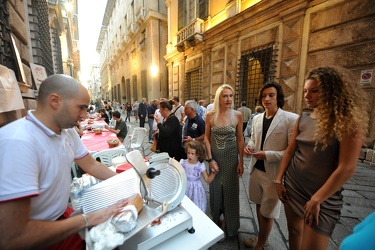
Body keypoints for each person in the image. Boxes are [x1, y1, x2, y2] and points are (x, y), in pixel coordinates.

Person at [0, 74, 127, 249]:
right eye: (81, 107)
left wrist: (126, 182)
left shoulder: (67, 131)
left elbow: (91, 164)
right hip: (40, 236)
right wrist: (87, 219)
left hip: (61, 216)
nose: (84, 115)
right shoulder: (18, 143)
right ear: (55, 101)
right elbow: (13, 236)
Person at [275, 67, 368, 250]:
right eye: (305, 91)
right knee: (293, 232)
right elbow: (290, 151)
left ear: (332, 91)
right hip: (293, 186)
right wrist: (278, 179)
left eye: (314, 90)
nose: (307, 95)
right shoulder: (303, 118)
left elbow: (347, 168)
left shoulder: (348, 122)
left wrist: (317, 199)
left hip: (323, 197)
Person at [243, 82, 298, 249]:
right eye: (264, 95)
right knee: (260, 206)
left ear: (278, 97)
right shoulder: (257, 118)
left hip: (274, 175)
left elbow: (291, 151)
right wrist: (250, 146)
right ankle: (262, 237)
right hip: (256, 170)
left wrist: (266, 154)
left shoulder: (290, 119)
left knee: (268, 213)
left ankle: (260, 244)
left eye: (271, 95)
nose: (266, 99)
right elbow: (253, 138)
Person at [204, 84, 244, 238]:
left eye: (231, 95)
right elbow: (206, 138)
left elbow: (240, 140)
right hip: (215, 160)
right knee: (215, 190)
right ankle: (216, 219)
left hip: (231, 161)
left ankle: (230, 222)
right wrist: (210, 159)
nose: (228, 99)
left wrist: (241, 161)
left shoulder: (238, 115)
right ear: (218, 98)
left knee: (230, 192)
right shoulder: (210, 115)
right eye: (225, 96)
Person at [180, 140, 216, 212]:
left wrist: (214, 172)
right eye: (188, 153)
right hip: (185, 187)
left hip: (196, 190)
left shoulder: (200, 166)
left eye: (192, 153)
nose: (189, 155)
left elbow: (208, 180)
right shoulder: (183, 163)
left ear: (198, 155)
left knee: (196, 205)